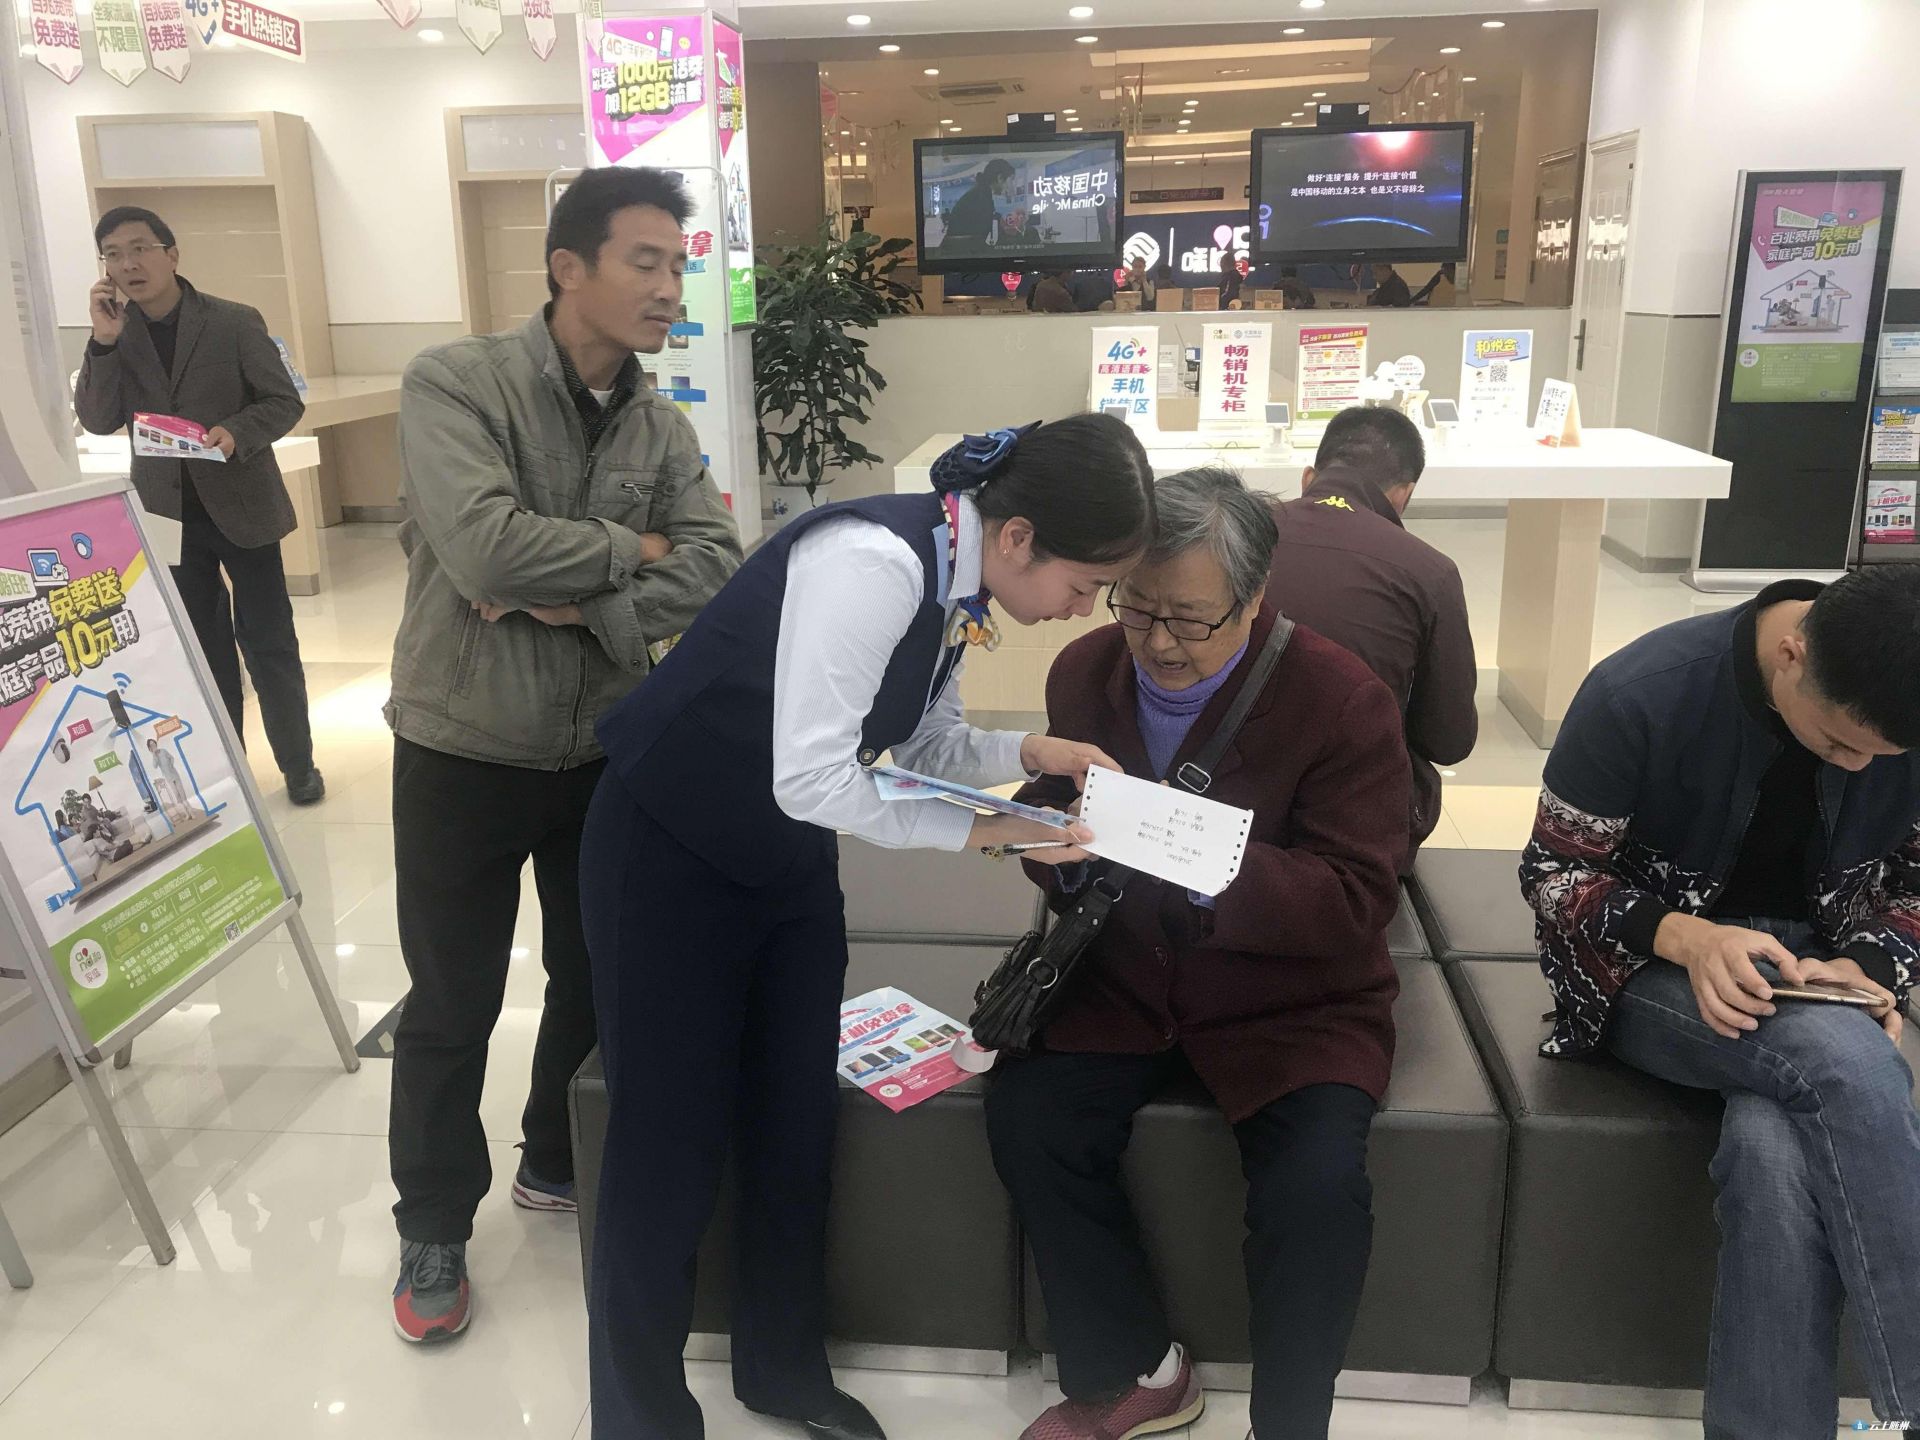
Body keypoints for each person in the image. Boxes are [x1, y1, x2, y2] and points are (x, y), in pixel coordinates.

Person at [578, 414, 1157, 1440]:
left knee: (795, 1122)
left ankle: (783, 1371)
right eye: (1087, 584)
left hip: (782, 859)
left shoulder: (957, 579)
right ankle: (640, 1419)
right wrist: (986, 832)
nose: (1084, 610)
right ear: (1018, 537)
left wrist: (1034, 752)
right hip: (667, 849)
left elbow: (920, 741)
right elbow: (813, 777)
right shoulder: (874, 562)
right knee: (663, 1149)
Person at [383, 167, 742, 1347]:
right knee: (453, 999)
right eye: (646, 261)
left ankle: (555, 1156)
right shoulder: (456, 382)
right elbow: (485, 552)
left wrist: (579, 597)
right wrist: (632, 550)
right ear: (567, 267)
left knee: (595, 977)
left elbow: (718, 565)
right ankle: (434, 1221)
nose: (669, 285)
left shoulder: (660, 422)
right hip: (463, 742)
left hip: (603, 748)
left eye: (678, 263)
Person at [989, 466, 1410, 1440]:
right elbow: (1066, 831)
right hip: (1124, 978)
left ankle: (1289, 1425)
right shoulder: (1084, 670)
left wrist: (1197, 857)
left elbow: (1357, 898)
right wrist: (1044, 844)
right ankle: (1138, 1371)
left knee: (1318, 1193)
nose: (1159, 643)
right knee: (1031, 1118)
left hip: (1292, 1003)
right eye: (1137, 607)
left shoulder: (1343, 700)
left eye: (1191, 619)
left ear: (1255, 600)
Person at [1519, 567, 1920, 1439]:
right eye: (1839, 744)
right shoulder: (1643, 690)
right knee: (1846, 1061)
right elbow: (1552, 874)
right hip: (1642, 968)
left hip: (1813, 970)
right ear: (1792, 653)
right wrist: (1688, 938)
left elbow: (1917, 887)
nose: (1857, 767)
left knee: (1772, 1149)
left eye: (1877, 759)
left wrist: (1863, 966)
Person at [74, 207, 324, 807]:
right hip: (167, 515)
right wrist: (103, 342)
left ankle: (298, 765)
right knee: (201, 647)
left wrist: (237, 432)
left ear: (172, 254)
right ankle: (230, 769)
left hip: (243, 503)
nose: (129, 264)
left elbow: (282, 401)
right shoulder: (116, 333)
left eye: (140, 248)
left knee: (268, 642)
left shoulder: (233, 320)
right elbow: (98, 419)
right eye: (113, 254)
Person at [1267, 407, 1476, 871]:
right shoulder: (1430, 570)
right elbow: (1449, 740)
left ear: (1309, 477)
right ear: (1405, 494)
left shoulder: (1236, 531)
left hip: (1219, 793)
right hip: (1354, 829)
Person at [943, 157, 1017, 248]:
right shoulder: (980, 198)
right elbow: (980, 237)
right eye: (1011, 180)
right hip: (960, 251)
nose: (1012, 186)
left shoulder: (980, 193)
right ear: (1000, 178)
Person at [145, 737, 186, 815]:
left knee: (181, 791)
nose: (153, 746)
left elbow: (171, 758)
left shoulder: (163, 751)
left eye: (154, 744)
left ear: (156, 744)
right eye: (151, 745)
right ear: (150, 748)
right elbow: (155, 766)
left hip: (174, 773)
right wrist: (154, 755)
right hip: (168, 777)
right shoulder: (154, 756)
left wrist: (171, 765)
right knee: (176, 794)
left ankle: (190, 811)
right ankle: (185, 812)